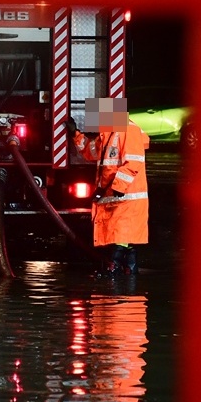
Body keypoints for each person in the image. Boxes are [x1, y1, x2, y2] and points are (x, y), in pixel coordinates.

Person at [72, 97, 149, 275]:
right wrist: (75, 134)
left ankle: (114, 273)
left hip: (126, 199)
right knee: (123, 240)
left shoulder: (128, 130)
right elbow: (91, 151)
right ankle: (125, 275)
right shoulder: (109, 134)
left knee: (121, 238)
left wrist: (118, 187)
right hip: (117, 198)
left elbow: (133, 162)